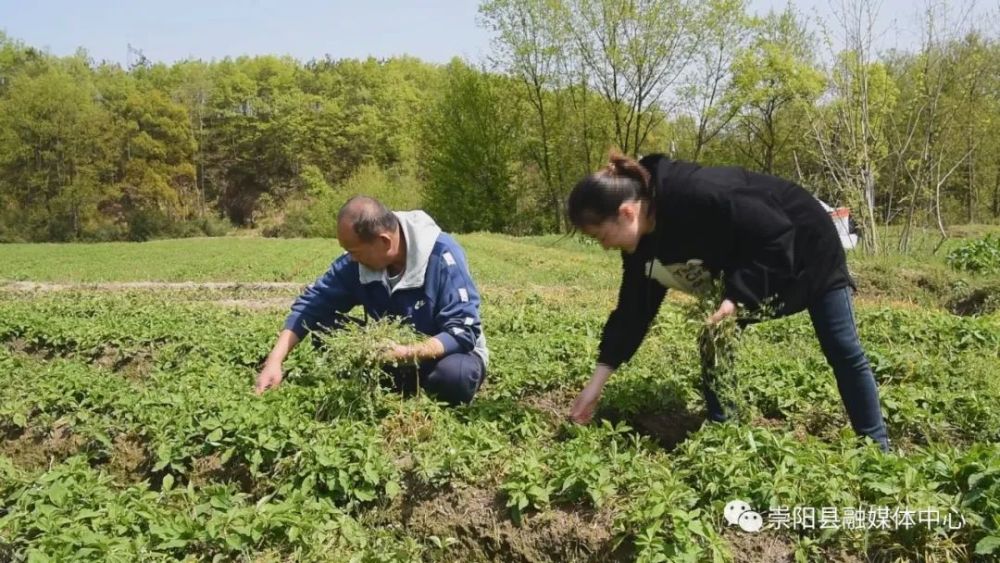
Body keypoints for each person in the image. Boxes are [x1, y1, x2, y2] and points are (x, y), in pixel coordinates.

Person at [565, 151, 889, 451]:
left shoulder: (696, 192)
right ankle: (725, 428)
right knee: (714, 337)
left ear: (626, 212)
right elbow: (632, 312)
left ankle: (876, 446)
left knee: (841, 346)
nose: (605, 246)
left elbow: (777, 232)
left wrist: (737, 297)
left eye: (601, 236)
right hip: (751, 264)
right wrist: (595, 387)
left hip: (806, 246)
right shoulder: (641, 246)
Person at [255, 196, 488, 405]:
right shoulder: (357, 263)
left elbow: (463, 330)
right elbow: (312, 303)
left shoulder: (442, 255)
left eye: (355, 251)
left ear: (384, 241)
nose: (352, 259)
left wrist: (405, 352)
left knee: (455, 375)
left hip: (439, 356)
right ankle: (397, 384)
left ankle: (412, 385)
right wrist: (274, 361)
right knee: (322, 325)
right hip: (386, 352)